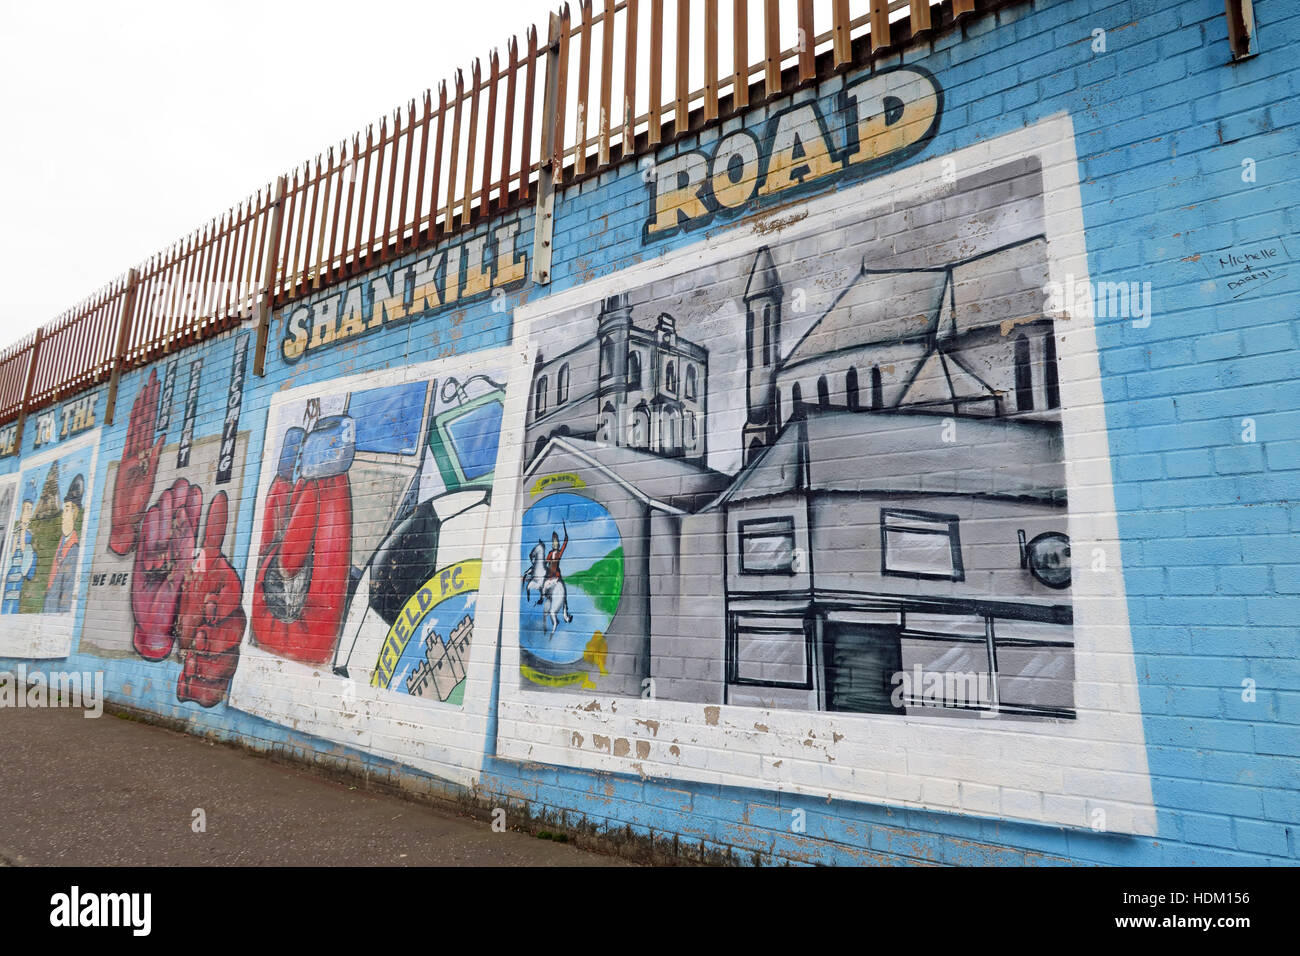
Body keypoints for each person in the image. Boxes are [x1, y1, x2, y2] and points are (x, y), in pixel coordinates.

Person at [42, 474, 83, 614]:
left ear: (74, 514)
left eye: (66, 510)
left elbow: (67, 592)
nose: (63, 515)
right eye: (63, 510)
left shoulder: (73, 549)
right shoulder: (61, 543)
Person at [3, 495, 37, 614]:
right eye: (25, 509)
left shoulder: (27, 533)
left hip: (19, 571)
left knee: (14, 599)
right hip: (11, 570)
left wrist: (22, 531)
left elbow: (23, 548)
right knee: (6, 597)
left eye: (30, 509)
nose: (27, 512)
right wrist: (16, 534)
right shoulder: (16, 531)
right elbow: (11, 552)